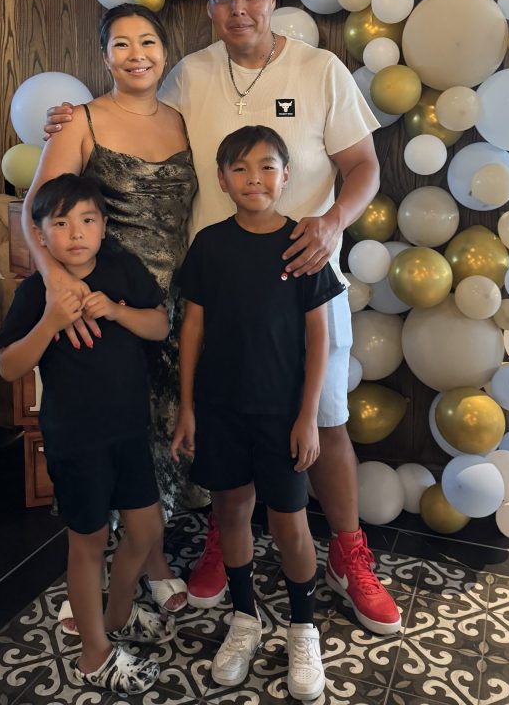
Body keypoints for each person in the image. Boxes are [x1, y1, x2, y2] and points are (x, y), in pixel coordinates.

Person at [47, 0, 402, 636]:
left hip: (303, 275)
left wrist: (331, 223)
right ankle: (222, 538)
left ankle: (349, 555)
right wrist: (74, 125)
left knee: (326, 422)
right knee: (220, 416)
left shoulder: (319, 68)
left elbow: (363, 165)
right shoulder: (188, 75)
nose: (239, 10)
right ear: (207, 9)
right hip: (214, 285)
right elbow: (137, 122)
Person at [27, 3, 209, 627]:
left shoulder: (185, 120)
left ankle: (143, 560)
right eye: (122, 44)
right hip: (110, 301)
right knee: (127, 427)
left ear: (165, 50)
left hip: (174, 302)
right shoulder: (80, 120)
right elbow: (38, 209)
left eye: (149, 42)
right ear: (103, 55)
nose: (137, 54)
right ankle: (146, 570)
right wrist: (55, 282)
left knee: (163, 433)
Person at [171, 125, 343, 699]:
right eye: (240, 170)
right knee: (232, 512)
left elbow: (318, 337)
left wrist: (307, 416)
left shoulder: (303, 243)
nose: (254, 179)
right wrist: (188, 408)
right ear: (221, 180)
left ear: (286, 176)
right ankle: (244, 618)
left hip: (281, 413)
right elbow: (191, 327)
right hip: (220, 409)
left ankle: (302, 627)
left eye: (267, 167)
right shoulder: (210, 245)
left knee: (292, 523)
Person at [0, 174, 174, 693]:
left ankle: (116, 617)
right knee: (88, 541)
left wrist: (116, 310)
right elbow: (9, 367)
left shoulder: (121, 269)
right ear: (42, 236)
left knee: (145, 531)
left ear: (104, 227)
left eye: (88, 220)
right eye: (61, 222)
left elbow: (160, 326)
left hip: (128, 432)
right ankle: (94, 654)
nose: (76, 233)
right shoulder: (37, 292)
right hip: (76, 439)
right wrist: (50, 322)